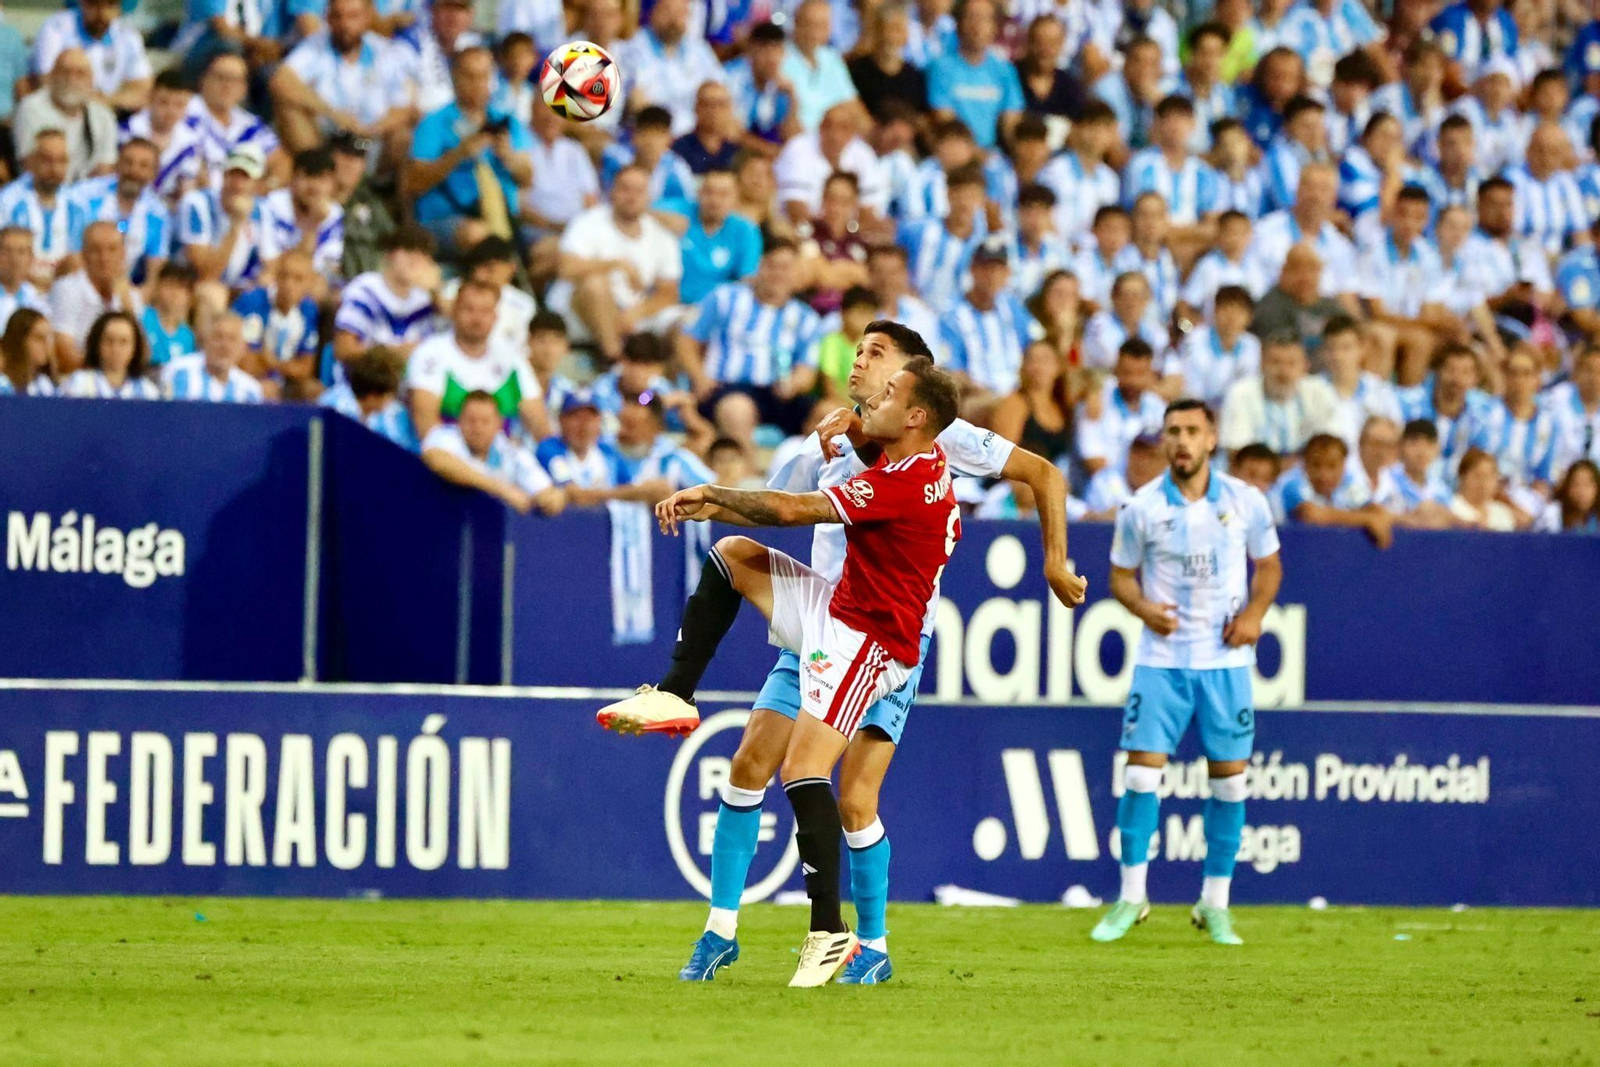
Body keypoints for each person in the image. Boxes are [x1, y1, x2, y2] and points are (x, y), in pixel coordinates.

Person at [599, 329, 1085, 986]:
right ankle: (721, 926)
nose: (861, 362)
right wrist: (738, 490)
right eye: (858, 352)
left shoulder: (937, 444)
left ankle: (859, 939)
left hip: (881, 639)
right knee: (752, 758)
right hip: (821, 619)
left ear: (911, 383)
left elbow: (1041, 472)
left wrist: (1054, 558)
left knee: (850, 794)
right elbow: (777, 501)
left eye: (878, 355)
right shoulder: (825, 442)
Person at [1093, 397, 1281, 947]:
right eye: (1173, 431)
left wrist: (1254, 615)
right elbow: (1121, 577)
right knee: (1141, 776)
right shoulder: (1141, 506)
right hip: (1163, 662)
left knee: (1230, 783)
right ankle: (1132, 898)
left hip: (1225, 664)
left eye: (1192, 431)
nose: (1181, 440)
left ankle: (1214, 904)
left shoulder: (1246, 501)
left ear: (1211, 438)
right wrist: (1144, 609)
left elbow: (1269, 566)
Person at [677, 238, 822, 442]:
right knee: (737, 410)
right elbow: (687, 340)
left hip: (777, 392)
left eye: (786, 268)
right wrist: (699, 377)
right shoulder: (724, 298)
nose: (778, 274)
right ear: (760, 267)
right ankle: (747, 471)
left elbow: (806, 370)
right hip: (726, 388)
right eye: (772, 266)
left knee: (828, 413)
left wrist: (793, 384)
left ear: (796, 273)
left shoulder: (806, 318)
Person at [406, 47, 534, 261]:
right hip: (446, 217)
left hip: (502, 217)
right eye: (469, 76)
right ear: (455, 78)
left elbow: (527, 178)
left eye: (483, 76)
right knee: (481, 236)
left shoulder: (506, 122)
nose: (477, 84)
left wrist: (509, 157)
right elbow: (414, 181)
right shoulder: (434, 123)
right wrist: (458, 154)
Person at [270, 0, 418, 156]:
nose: (345, 24)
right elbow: (280, 81)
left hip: (370, 139)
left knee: (403, 135)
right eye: (338, 16)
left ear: (368, 17)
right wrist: (333, 114)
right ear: (328, 18)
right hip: (326, 135)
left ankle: (382, 180)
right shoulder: (316, 46)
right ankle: (315, 171)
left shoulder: (384, 52)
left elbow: (403, 108)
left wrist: (371, 130)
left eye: (353, 16)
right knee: (289, 110)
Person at [405, 279, 544, 441]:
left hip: (499, 458)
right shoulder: (429, 353)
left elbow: (539, 424)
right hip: (443, 457)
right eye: (469, 309)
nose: (477, 319)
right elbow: (426, 425)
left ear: (495, 317)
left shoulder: (512, 358)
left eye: (485, 311)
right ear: (454, 311)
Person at [421, 388, 565, 515]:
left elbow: (545, 491)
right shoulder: (444, 436)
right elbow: (436, 460)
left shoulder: (509, 450)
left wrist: (552, 499)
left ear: (499, 424)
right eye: (471, 420)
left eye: (485, 421)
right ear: (459, 421)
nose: (477, 428)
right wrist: (501, 490)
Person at [939, 236, 1034, 408]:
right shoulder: (952, 315)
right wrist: (991, 396)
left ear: (1007, 273)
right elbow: (951, 370)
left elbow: (1035, 343)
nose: (992, 276)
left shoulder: (1012, 306)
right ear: (973, 270)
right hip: (976, 398)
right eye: (986, 269)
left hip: (1018, 393)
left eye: (998, 269)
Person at [332, 225, 441, 374]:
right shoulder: (365, 289)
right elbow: (344, 350)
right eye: (409, 250)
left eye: (423, 253)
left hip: (410, 388)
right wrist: (393, 354)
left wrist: (437, 293)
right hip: (361, 386)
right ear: (389, 254)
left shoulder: (425, 299)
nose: (416, 259)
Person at [1219, 332, 1340, 456]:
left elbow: (1331, 447)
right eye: (1275, 362)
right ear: (1262, 364)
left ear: (1305, 367)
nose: (1283, 370)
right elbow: (1235, 451)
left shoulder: (1320, 392)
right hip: (1254, 472)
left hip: (1307, 473)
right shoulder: (1241, 393)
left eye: (1291, 363)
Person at [175, 145, 274, 294]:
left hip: (234, 286)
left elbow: (271, 263)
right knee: (212, 294)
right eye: (232, 175)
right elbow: (206, 274)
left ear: (258, 184)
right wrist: (235, 225)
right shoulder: (197, 204)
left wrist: (261, 279)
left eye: (245, 177)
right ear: (223, 175)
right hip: (185, 283)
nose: (237, 184)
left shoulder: (262, 210)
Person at [72, 138, 170, 286]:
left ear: (154, 173)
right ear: (117, 164)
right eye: (128, 162)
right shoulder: (85, 195)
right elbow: (72, 252)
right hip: (81, 278)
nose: (134, 171)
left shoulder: (158, 213)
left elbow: (154, 274)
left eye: (143, 166)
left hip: (127, 286)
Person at [1269, 432, 1394, 546]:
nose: (1324, 474)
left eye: (1332, 466)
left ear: (1343, 465)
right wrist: (1367, 519)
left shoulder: (1348, 482)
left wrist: (1378, 517)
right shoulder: (1293, 483)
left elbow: (1375, 510)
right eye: (1316, 465)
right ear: (1305, 464)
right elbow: (1312, 515)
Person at [13, 48, 118, 182]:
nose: (72, 79)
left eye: (80, 73)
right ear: (52, 75)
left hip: (87, 195)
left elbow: (105, 168)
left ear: (91, 79)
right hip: (42, 189)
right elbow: (29, 165)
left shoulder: (103, 115)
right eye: (65, 71)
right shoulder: (30, 108)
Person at [0, 129, 87, 285]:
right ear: (31, 162)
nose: (54, 168)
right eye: (47, 160)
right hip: (16, 287)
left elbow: (79, 258)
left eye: (61, 160)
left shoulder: (79, 204)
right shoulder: (8, 200)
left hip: (64, 289)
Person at [32, 0, 151, 112]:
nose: (102, 13)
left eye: (110, 4)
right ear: (82, 2)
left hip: (110, 113)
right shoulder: (56, 27)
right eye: (94, 3)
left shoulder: (128, 34)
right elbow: (47, 83)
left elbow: (143, 90)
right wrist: (99, 102)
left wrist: (105, 101)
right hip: (62, 112)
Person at [51, 220, 139, 370]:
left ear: (123, 254)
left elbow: (141, 355)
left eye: (112, 249)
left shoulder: (131, 295)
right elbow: (63, 353)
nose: (104, 258)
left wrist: (127, 304)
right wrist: (105, 373)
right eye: (96, 250)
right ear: (84, 254)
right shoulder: (67, 289)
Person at [183, 52, 282, 181]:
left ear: (244, 89)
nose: (227, 86)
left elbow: (281, 160)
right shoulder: (184, 110)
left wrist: (265, 186)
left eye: (235, 80)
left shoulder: (250, 125)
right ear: (204, 79)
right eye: (221, 77)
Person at [231, 250, 321, 390]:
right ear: (276, 277)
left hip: (285, 381)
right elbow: (247, 365)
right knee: (267, 389)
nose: (288, 284)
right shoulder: (253, 303)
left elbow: (305, 369)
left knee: (314, 390)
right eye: (283, 276)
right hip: (248, 380)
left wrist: (273, 362)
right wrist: (288, 367)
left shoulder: (308, 310)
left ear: (310, 283)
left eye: (298, 279)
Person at [1077, 338, 1167, 475]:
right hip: (1102, 488)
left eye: (1140, 374)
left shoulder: (1157, 406)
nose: (1133, 381)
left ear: (1151, 374)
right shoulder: (1096, 403)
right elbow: (1093, 460)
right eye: (1127, 373)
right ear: (1116, 370)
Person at [259, 148, 345, 287]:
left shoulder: (334, 213)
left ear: (332, 184)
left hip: (311, 282)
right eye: (308, 176)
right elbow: (275, 266)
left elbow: (330, 267)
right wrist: (312, 225)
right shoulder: (272, 205)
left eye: (322, 179)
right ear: (293, 178)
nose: (314, 186)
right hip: (272, 280)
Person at [1318, 315, 1401, 449]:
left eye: (1346, 348)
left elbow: (1395, 434)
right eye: (1331, 348)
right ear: (1323, 351)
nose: (1338, 356)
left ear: (1362, 349)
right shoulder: (1312, 390)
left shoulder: (1380, 391)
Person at [990, 339, 1073, 470]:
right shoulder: (1014, 404)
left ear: (1058, 367)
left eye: (1045, 361)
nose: (1038, 367)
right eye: (1032, 360)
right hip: (1017, 483)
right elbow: (1001, 459)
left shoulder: (1062, 404)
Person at [321, 346, 421, 452]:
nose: (390, 401)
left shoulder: (397, 415)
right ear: (373, 396)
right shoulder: (330, 405)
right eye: (389, 396)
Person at [1181, 285, 1260, 410]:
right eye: (1226, 309)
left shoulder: (1252, 345)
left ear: (1250, 318)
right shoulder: (1195, 340)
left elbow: (1247, 391)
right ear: (1215, 312)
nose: (1231, 317)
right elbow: (1192, 391)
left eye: (1239, 311)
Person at [782, 0, 857, 132]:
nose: (814, 32)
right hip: (797, 140)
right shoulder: (779, 58)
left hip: (834, 139)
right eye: (809, 25)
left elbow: (852, 105)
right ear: (795, 23)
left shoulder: (832, 58)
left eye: (821, 26)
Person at [161, 312, 264, 403]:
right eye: (218, 337)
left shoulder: (250, 390)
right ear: (205, 341)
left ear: (243, 348)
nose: (224, 345)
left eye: (232, 339)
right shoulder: (178, 371)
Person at [59, 308, 157, 399]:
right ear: (97, 344)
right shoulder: (78, 384)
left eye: (123, 342)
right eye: (109, 341)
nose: (116, 349)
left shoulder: (148, 392)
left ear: (135, 348)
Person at [1547, 344, 1600, 476]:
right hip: (1557, 479)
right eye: (1589, 370)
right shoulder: (1558, 398)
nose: (1594, 378)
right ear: (1577, 371)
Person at [1390, 418, 1457, 521]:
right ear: (1401, 446)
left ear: (1436, 449)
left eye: (1428, 444)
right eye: (1414, 443)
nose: (1421, 452)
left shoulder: (1442, 492)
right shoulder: (1388, 482)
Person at [140, 262, 199, 369]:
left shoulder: (188, 336)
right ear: (157, 288)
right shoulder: (141, 317)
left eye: (181, 288)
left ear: (190, 297)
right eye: (170, 285)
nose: (174, 293)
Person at [1450, 447, 1519, 530]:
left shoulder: (1502, 513)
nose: (1483, 483)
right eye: (1477, 476)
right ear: (1462, 477)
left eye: (1489, 477)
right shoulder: (1450, 508)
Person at [0, 306, 56, 395]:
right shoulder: (3, 385)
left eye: (48, 339)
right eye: (39, 338)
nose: (46, 346)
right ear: (19, 341)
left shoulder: (45, 386)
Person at [0, 225, 47, 330]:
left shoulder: (38, 300)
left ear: (31, 258)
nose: (14, 259)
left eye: (21, 252)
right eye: (7, 251)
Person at [1536, 459, 1600, 532]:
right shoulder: (1554, 514)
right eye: (1576, 484)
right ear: (1567, 488)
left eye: (1587, 485)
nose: (1581, 491)